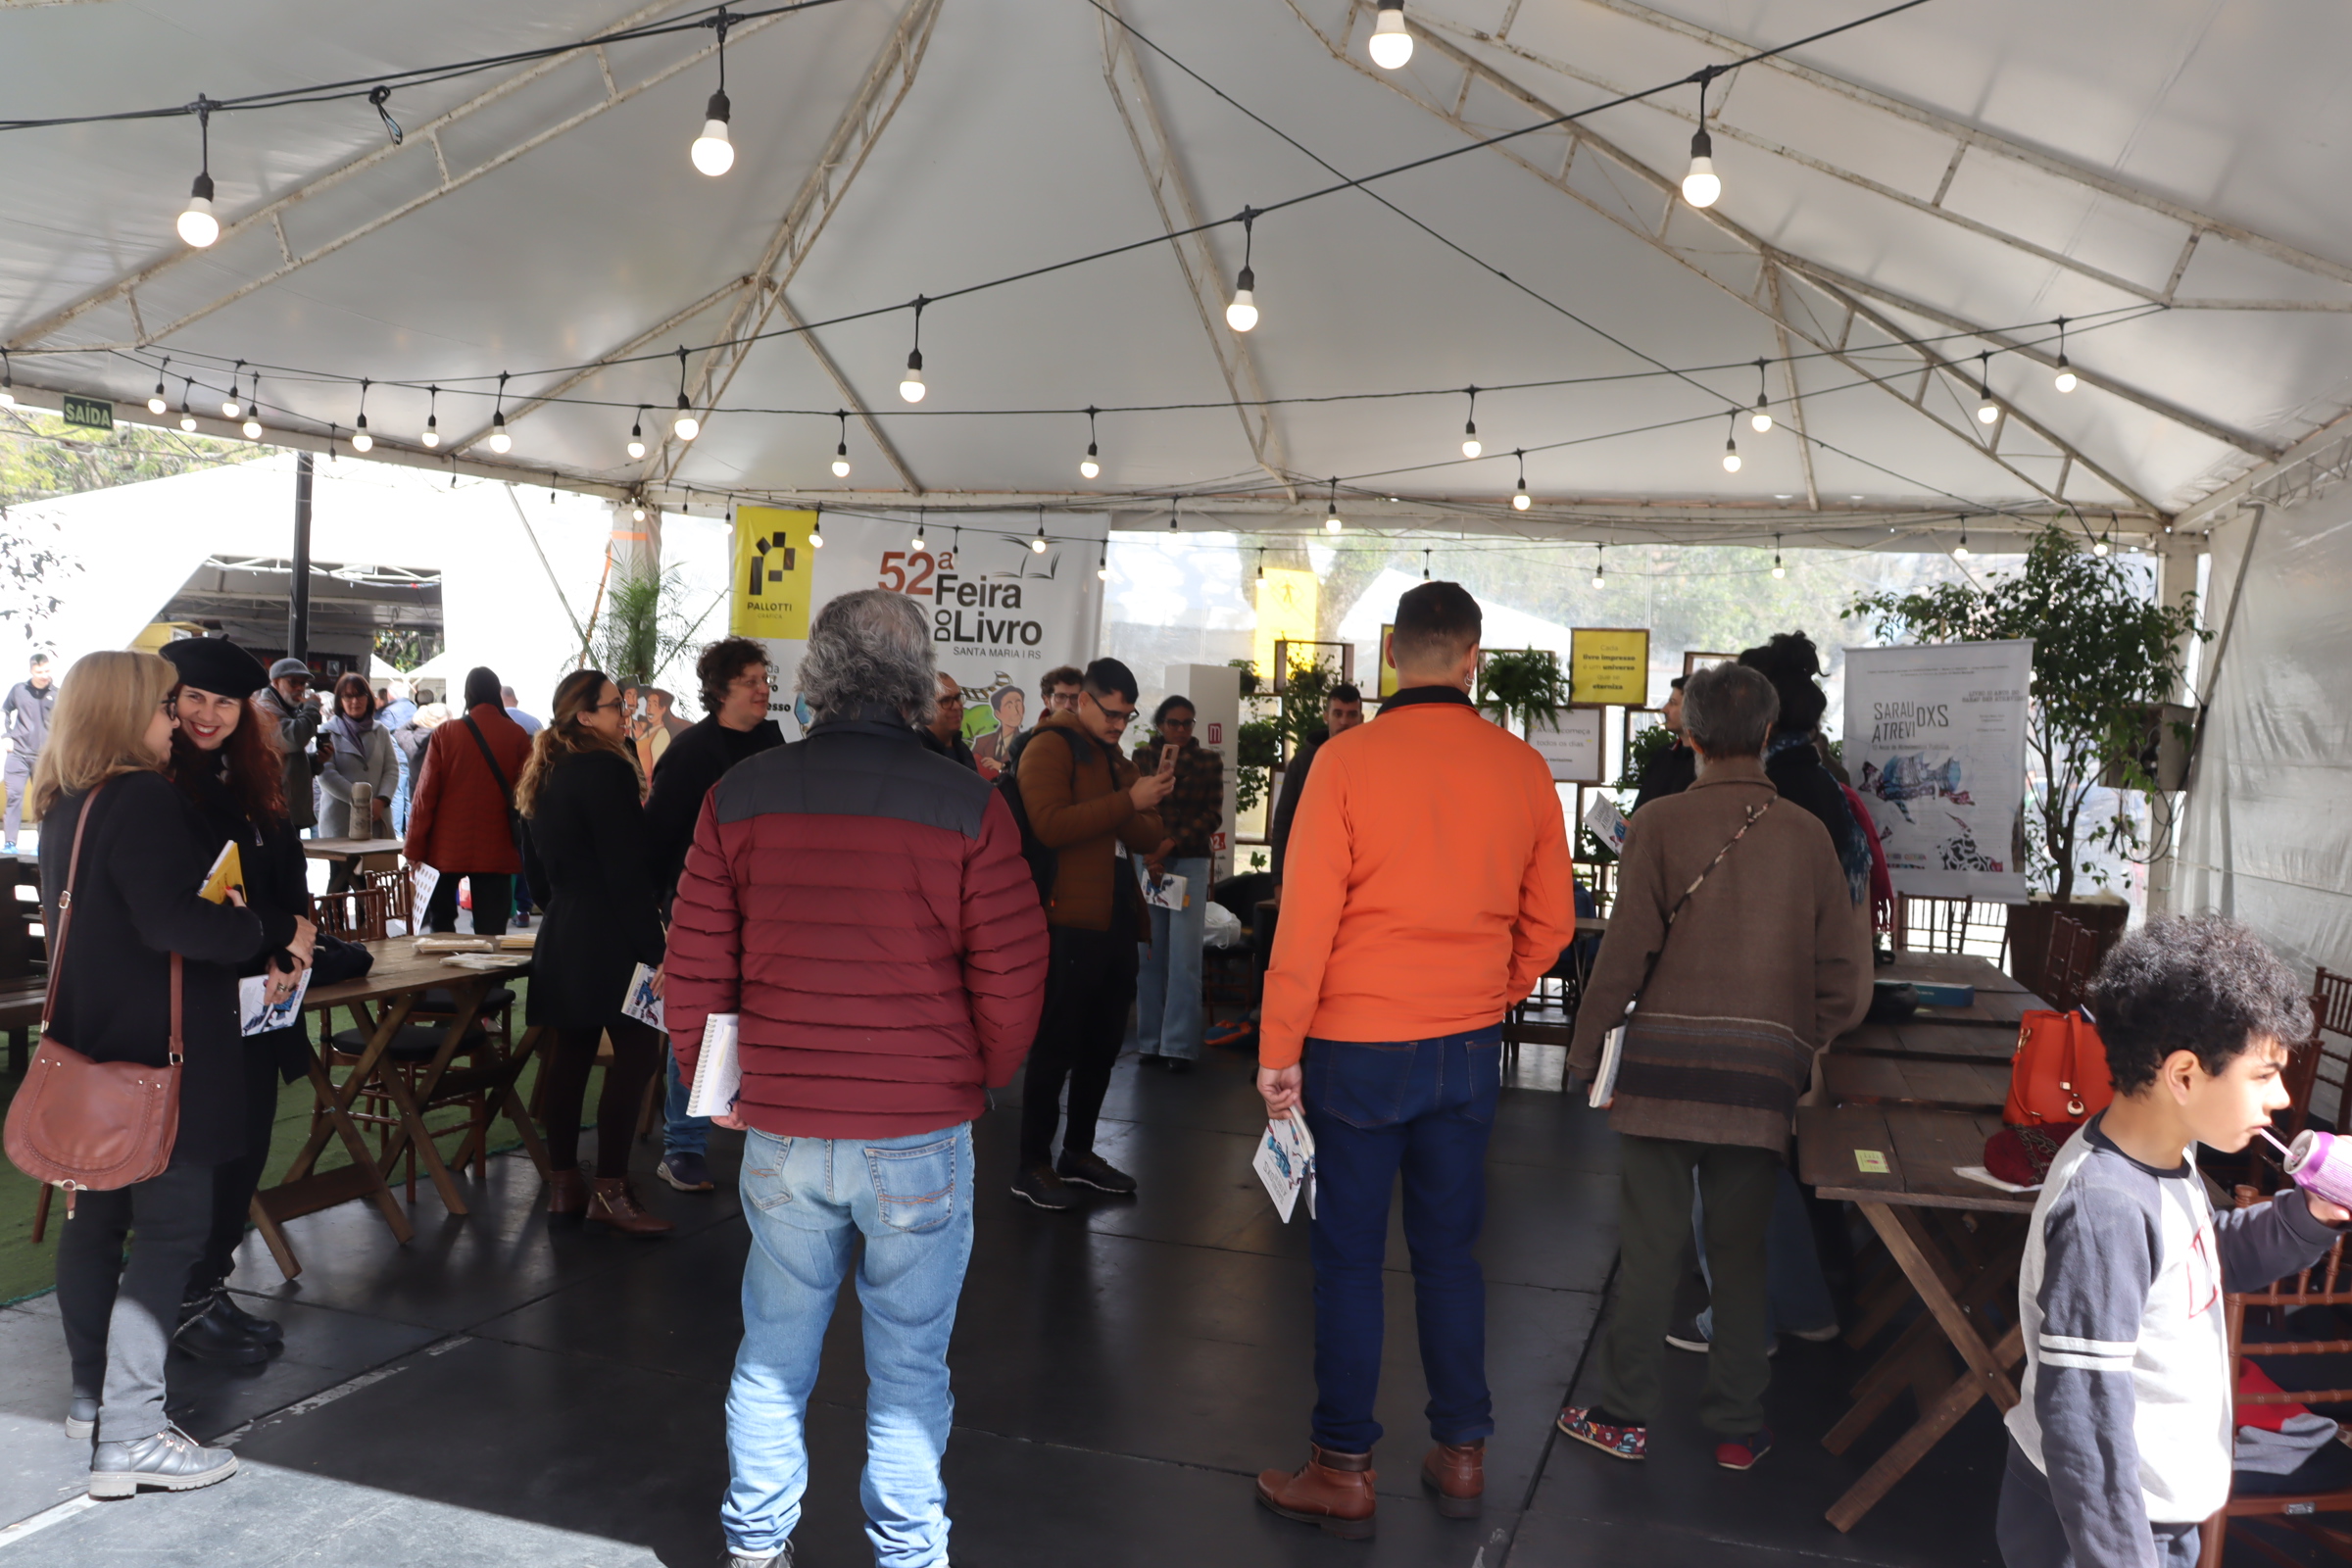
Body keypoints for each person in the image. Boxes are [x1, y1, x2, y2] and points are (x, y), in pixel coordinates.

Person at [663, 590, 1049, 1568]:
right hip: (918, 1127)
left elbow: (695, 966)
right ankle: (909, 1556)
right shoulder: (969, 804)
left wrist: (712, 1090)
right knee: (910, 1365)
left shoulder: (740, 794)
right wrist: (976, 1075)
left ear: (814, 678)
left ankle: (757, 1547)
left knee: (772, 1353)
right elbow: (1013, 975)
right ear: (919, 685)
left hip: (783, 1123)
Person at [1251, 582, 1574, 1538]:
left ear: (1392, 652)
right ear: (1475, 656)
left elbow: (1306, 921)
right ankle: (1462, 1453)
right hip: (1465, 1046)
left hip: (1355, 1046)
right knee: (1450, 1255)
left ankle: (1342, 1468)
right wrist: (1493, 988)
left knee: (1349, 1261)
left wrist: (1278, 1049)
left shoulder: (1345, 761)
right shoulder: (1521, 767)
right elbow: (1552, 921)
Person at [1559, 662, 1872, 1474]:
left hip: (1662, 1074)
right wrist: (1795, 1046)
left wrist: (1587, 1051)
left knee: (1650, 1253)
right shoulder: (1806, 834)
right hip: (1758, 1081)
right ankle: (1738, 1426)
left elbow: (1624, 956)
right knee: (1740, 1255)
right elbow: (1846, 979)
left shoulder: (1659, 823)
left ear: (1690, 736)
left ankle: (1624, 1417)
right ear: (1767, 733)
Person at [2000, 916, 2348, 1568]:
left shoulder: (2163, 1156)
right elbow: (2084, 1417)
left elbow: (2206, 1257)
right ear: (2184, 1075)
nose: (2281, 1097)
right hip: (2104, 1529)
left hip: (2150, 1507)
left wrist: (2311, 1215)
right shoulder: (2106, 1208)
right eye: (2264, 1074)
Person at [35, 651, 270, 1498]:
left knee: (96, 1222)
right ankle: (131, 1434)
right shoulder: (142, 798)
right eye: (168, 705)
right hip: (160, 1062)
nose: (178, 720)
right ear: (126, 711)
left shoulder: (67, 802)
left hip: (92, 1051)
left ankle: (93, 1402)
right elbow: (175, 923)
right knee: (171, 1236)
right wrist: (250, 929)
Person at [156, 638, 319, 1366]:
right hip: (197, 1000)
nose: (209, 715)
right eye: (194, 698)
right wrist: (275, 931)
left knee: (248, 1144)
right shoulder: (160, 785)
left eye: (225, 702)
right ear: (168, 702)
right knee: (205, 1157)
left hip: (262, 997)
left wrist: (293, 944)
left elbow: (286, 873)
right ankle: (182, 1302)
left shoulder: (255, 774)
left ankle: (208, 1288)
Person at [1011, 657, 1171, 1210]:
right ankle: (1031, 1162)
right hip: (1065, 922)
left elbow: (1151, 832)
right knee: (1055, 1047)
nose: (1119, 725)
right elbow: (1050, 823)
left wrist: (1126, 804)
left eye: (1127, 717)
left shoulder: (1111, 756)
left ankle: (1077, 1152)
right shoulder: (1048, 747)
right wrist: (1127, 802)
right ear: (1082, 700)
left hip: (1115, 918)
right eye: (1111, 714)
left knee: (1103, 1046)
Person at [517, 668, 672, 1235]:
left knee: (570, 1058)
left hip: (564, 929)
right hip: (611, 932)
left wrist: (566, 905)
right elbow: (626, 871)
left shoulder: (543, 770)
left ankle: (565, 1185)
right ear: (585, 716)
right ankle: (609, 1189)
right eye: (613, 706)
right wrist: (656, 950)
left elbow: (534, 874)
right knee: (637, 1056)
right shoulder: (607, 769)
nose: (624, 714)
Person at [639, 637, 785, 1195]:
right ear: (720, 690)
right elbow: (657, 841)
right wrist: (670, 921)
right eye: (751, 681)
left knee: (763, 1016)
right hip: (700, 908)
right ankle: (683, 1145)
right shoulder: (691, 752)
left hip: (766, 910)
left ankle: (762, 1130)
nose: (763, 689)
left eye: (764, 679)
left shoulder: (775, 743)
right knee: (703, 1022)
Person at [1132, 695, 1223, 1073]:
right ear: (1160, 725)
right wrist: (1151, 851)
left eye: (1188, 723)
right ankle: (1150, 1041)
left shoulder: (1208, 761)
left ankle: (1179, 1045)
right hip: (1148, 857)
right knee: (1149, 954)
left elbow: (1212, 814)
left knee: (1184, 957)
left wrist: (1168, 843)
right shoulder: (1142, 758)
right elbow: (1134, 806)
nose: (1182, 730)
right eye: (1174, 723)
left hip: (1188, 859)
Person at [403, 666, 531, 936]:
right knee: (491, 931)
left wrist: (414, 849)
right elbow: (528, 794)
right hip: (496, 845)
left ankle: (447, 964)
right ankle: (488, 966)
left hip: (446, 847)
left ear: (467, 694)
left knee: (442, 928)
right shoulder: (517, 735)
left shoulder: (446, 733)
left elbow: (425, 796)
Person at [1267, 682, 1363, 885]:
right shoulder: (1303, 763)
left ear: (1361, 719)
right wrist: (1279, 879)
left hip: (1360, 875)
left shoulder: (1371, 763)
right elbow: (1284, 822)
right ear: (1326, 716)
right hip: (1311, 871)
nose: (1344, 721)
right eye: (1338, 714)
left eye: (1351, 715)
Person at [318, 672, 396, 863]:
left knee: (373, 875)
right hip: (341, 819)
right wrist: (361, 801)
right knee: (341, 876)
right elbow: (325, 773)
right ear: (340, 700)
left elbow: (392, 769)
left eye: (360, 695)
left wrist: (381, 800)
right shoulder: (327, 732)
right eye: (348, 696)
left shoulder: (381, 731)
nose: (355, 701)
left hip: (376, 817)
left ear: (368, 698)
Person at [254, 658, 324, 834]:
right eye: (293, 682)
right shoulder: (266, 709)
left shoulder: (285, 708)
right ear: (276, 682)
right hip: (274, 810)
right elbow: (294, 739)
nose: (299, 688)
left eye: (302, 684)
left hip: (284, 810)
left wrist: (315, 761)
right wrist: (312, 708)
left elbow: (286, 760)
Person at [3, 651, 55, 852]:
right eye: (39, 672)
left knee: (44, 801)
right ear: (31, 671)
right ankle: (9, 843)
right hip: (18, 754)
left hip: (44, 757)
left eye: (47, 671)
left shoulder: (58, 694)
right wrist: (6, 736)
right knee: (14, 797)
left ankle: (42, 844)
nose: (44, 675)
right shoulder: (19, 690)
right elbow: (5, 711)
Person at [1631, 675, 1696, 812]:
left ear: (1694, 710)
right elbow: (1641, 808)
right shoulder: (1662, 755)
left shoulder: (1710, 763)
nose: (1664, 709)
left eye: (1673, 703)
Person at [969, 684, 1027, 780]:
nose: (1016, 711)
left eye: (1018, 705)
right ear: (997, 713)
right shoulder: (982, 741)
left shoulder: (1028, 743)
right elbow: (969, 770)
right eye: (1009, 706)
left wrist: (1001, 767)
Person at [921, 671, 976, 769]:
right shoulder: (917, 752)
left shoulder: (963, 750)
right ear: (926, 708)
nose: (957, 706)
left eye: (958, 698)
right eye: (946, 701)